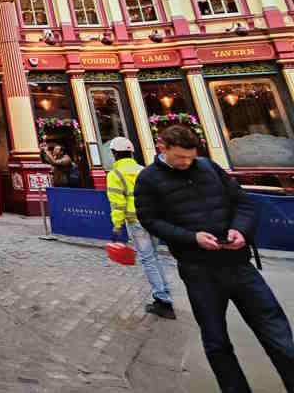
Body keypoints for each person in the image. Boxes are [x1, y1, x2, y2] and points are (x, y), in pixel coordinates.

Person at [135, 125, 294, 393]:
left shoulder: (209, 167)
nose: (186, 163)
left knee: (276, 331)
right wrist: (191, 237)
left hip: (239, 264)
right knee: (216, 340)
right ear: (163, 149)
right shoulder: (148, 179)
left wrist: (240, 230)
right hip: (199, 272)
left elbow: (243, 203)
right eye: (179, 158)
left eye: (191, 157)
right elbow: (150, 220)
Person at [105, 136, 174, 319]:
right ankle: (164, 294)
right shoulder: (143, 170)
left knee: (148, 259)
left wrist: (117, 225)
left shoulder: (115, 174)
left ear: (113, 153)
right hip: (152, 220)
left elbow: (117, 203)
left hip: (136, 222)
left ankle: (163, 300)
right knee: (155, 257)